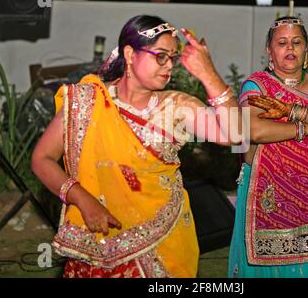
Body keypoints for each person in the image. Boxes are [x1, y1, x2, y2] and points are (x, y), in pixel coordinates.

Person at [31, 15, 241, 278]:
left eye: (173, 59)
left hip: (163, 242)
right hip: (98, 238)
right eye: (160, 56)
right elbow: (42, 158)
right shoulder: (87, 101)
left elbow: (237, 133)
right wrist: (82, 199)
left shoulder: (175, 107)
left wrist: (208, 74)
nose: (169, 67)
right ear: (130, 54)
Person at [228, 16, 308, 278]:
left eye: (297, 42)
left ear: (306, 48)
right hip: (264, 192)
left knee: (306, 266)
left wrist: (290, 110)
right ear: (269, 50)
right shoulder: (257, 85)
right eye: (282, 42)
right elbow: (257, 130)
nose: (290, 48)